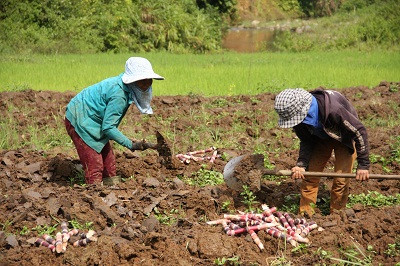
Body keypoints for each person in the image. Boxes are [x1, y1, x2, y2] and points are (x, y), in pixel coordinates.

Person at [65, 57, 164, 185]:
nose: (146, 84)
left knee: (109, 164)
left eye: (149, 80)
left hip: (93, 119)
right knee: (95, 165)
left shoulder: (127, 87)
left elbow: (108, 125)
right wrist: (130, 144)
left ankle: (112, 193)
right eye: (142, 81)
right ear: (133, 81)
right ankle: (93, 195)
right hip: (80, 119)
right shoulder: (119, 95)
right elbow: (108, 127)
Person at [274, 88, 370, 216]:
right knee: (309, 177)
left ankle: (336, 215)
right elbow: (306, 140)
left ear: (303, 110)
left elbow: (359, 131)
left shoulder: (334, 110)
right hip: (321, 137)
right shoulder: (299, 119)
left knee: (341, 179)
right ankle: (305, 215)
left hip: (344, 137)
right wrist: (301, 164)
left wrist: (363, 165)